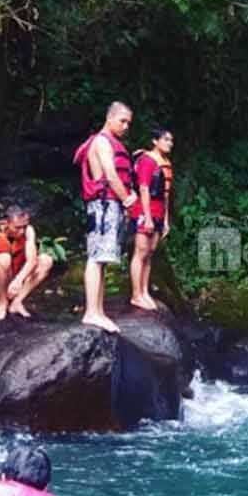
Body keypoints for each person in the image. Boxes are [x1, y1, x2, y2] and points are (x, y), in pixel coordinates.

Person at [73, 102, 138, 332]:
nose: (126, 126)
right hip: (103, 205)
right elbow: (110, 174)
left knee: (101, 258)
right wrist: (129, 201)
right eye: (122, 121)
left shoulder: (111, 141)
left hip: (109, 204)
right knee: (96, 257)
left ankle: (98, 310)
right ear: (109, 119)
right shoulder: (101, 141)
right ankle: (91, 312)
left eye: (129, 122)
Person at [129, 128, 174, 311]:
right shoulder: (147, 160)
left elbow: (166, 194)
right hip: (144, 210)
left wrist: (164, 220)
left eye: (171, 140)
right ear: (155, 141)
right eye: (166, 139)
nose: (170, 143)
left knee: (150, 253)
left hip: (158, 211)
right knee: (140, 251)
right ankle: (136, 294)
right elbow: (144, 188)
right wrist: (147, 217)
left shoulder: (166, 163)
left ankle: (144, 291)